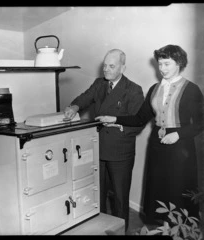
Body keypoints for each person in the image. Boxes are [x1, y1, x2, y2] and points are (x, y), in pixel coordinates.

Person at [95, 44, 204, 224]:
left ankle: (181, 231)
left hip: (181, 147)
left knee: (178, 189)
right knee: (158, 189)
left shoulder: (191, 89)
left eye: (167, 64)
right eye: (160, 64)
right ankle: (159, 228)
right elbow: (140, 118)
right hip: (157, 146)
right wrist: (115, 119)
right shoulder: (155, 89)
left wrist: (178, 134)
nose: (162, 69)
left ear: (178, 63)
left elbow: (203, 122)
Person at [64, 49, 144, 231]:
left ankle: (119, 231)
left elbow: (138, 123)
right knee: (97, 194)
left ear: (123, 67)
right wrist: (74, 106)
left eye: (112, 66)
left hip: (120, 152)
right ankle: (99, 230)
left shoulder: (134, 90)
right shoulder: (99, 84)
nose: (106, 69)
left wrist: (119, 125)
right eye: (104, 65)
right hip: (98, 148)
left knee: (120, 198)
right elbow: (85, 97)